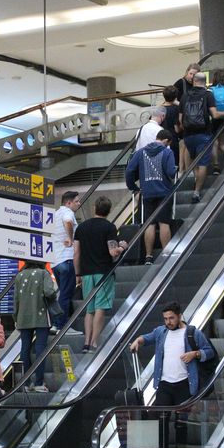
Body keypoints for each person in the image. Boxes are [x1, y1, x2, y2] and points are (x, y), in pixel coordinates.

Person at [128, 301, 217, 448]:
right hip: (164, 384)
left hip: (185, 384)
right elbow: (146, 338)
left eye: (171, 318)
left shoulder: (193, 333)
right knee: (161, 420)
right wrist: (137, 341)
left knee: (180, 422)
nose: (168, 322)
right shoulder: (161, 332)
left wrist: (195, 354)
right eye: (165, 318)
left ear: (179, 316)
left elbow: (210, 352)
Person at [73, 197, 126, 354]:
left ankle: (86, 342)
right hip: (104, 272)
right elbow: (113, 252)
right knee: (100, 307)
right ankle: (94, 343)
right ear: (109, 211)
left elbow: (76, 253)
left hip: (86, 273)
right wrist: (122, 246)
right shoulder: (109, 227)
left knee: (89, 309)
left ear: (94, 207)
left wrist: (78, 273)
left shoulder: (81, 228)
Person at [181, 69, 224, 202]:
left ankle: (193, 177)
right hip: (203, 133)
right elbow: (215, 115)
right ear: (204, 82)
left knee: (194, 159)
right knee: (203, 164)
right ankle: (196, 192)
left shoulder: (184, 96)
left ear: (194, 81)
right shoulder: (208, 95)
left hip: (188, 135)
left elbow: (180, 119)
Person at [125, 129, 178, 264]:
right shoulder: (167, 152)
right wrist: (175, 169)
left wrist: (133, 187)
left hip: (147, 193)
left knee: (150, 224)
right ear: (166, 141)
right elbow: (171, 173)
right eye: (168, 144)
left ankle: (148, 256)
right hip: (164, 193)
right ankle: (166, 255)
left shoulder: (140, 152)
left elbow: (129, 170)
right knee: (164, 223)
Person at [13, 261, 57, 393]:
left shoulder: (19, 276)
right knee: (40, 348)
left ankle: (25, 383)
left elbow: (16, 299)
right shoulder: (44, 273)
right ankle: (38, 382)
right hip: (41, 316)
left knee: (24, 349)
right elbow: (50, 292)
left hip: (23, 317)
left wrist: (16, 317)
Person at [50, 191, 81, 335]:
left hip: (55, 262)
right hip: (66, 259)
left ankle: (56, 325)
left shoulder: (54, 215)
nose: (79, 204)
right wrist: (70, 237)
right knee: (66, 295)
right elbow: (68, 222)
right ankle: (61, 326)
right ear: (68, 203)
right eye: (77, 201)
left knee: (62, 294)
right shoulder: (67, 212)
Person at [159, 86, 181, 169]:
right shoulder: (175, 109)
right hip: (172, 139)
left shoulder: (160, 108)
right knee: (174, 164)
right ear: (175, 97)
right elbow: (177, 129)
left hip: (160, 138)